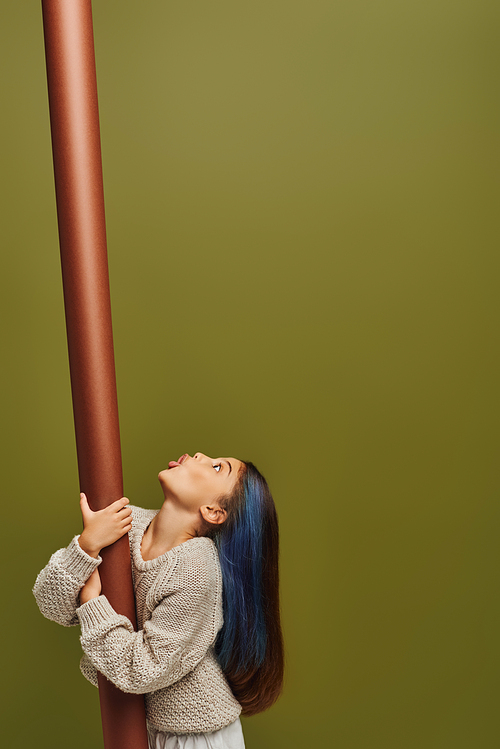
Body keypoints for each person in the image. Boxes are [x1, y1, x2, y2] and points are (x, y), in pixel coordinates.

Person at [33, 452, 284, 749]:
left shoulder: (197, 571)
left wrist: (91, 602)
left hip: (198, 738)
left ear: (214, 512)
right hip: (148, 727)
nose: (200, 455)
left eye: (217, 467)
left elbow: (141, 668)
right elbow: (51, 603)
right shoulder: (124, 524)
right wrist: (87, 546)